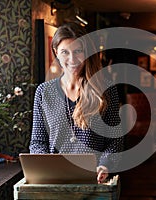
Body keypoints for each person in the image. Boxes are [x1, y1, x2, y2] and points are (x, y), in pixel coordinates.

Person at [29, 22, 123, 183]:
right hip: (54, 181)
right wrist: (45, 168)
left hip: (95, 181)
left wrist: (105, 165)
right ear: (55, 53)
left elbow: (115, 141)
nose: (72, 59)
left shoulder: (106, 90)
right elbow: (38, 142)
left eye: (78, 51)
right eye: (65, 52)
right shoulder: (43, 92)